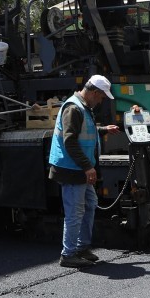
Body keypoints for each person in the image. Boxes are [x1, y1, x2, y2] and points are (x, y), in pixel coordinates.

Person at [47, 75, 120, 268]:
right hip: (72, 169)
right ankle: (68, 254)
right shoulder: (73, 108)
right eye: (102, 97)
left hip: (77, 168)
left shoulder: (82, 107)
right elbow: (70, 141)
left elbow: (82, 131)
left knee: (90, 203)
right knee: (75, 211)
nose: (102, 100)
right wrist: (88, 167)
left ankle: (81, 247)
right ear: (94, 93)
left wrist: (103, 129)